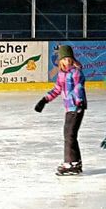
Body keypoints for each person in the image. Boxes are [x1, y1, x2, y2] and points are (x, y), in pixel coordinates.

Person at [35, 45, 87, 176]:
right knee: (69, 135)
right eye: (64, 59)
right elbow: (57, 89)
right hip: (69, 108)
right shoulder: (61, 74)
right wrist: (44, 100)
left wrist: (78, 101)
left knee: (69, 135)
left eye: (69, 58)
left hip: (76, 106)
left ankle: (70, 163)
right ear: (61, 61)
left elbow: (79, 87)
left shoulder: (76, 72)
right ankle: (75, 162)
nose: (67, 61)